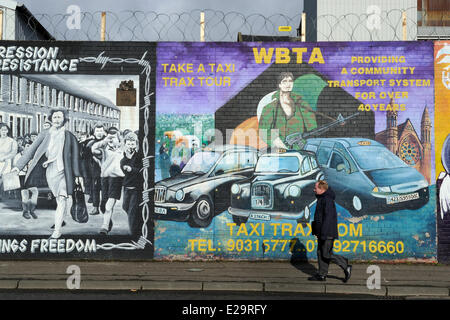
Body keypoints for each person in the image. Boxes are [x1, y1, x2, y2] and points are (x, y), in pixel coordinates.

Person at [13, 108, 83, 239]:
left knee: (62, 198)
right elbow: (31, 151)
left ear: (64, 120)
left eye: (59, 117)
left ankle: (57, 230)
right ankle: (61, 217)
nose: (56, 120)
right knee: (59, 198)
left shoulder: (69, 136)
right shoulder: (44, 134)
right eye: (54, 117)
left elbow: (75, 157)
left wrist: (78, 175)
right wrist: (18, 167)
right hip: (49, 171)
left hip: (65, 172)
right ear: (51, 119)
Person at [258, 72, 317, 150]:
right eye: (284, 81)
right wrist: (280, 144)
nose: (288, 84)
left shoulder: (302, 104)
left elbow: (312, 128)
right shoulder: (270, 107)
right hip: (277, 150)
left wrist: (301, 143)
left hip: (300, 149)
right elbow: (263, 131)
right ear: (279, 85)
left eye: (290, 81)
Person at [309, 180, 352, 282]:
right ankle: (322, 274)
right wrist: (316, 231)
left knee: (326, 253)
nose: (314, 189)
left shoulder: (327, 199)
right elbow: (319, 216)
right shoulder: (322, 198)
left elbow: (328, 218)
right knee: (320, 252)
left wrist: (323, 233)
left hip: (327, 233)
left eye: (316, 188)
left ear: (322, 189)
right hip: (322, 232)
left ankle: (345, 265)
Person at [91, 127, 125, 235]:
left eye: (113, 137)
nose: (110, 140)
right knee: (103, 205)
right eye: (109, 137)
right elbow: (93, 149)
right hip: (104, 178)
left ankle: (104, 227)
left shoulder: (123, 151)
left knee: (109, 204)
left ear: (119, 140)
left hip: (117, 179)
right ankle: (108, 220)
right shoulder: (104, 151)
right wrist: (104, 141)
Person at [120, 132, 142, 235]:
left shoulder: (138, 157)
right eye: (128, 144)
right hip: (126, 187)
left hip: (136, 188)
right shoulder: (124, 158)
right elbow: (123, 169)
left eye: (132, 144)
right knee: (125, 207)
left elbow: (141, 170)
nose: (130, 146)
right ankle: (136, 223)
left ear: (136, 144)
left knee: (132, 211)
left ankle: (134, 232)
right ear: (125, 144)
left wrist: (131, 169)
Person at [14, 142, 38, 219]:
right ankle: (26, 211)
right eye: (27, 146)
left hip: (29, 176)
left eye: (30, 146)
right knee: (25, 194)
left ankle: (31, 210)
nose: (29, 148)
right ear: (23, 147)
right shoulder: (18, 156)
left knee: (35, 191)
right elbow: (16, 166)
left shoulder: (32, 156)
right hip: (22, 176)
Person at [86, 124, 106, 215]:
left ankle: (104, 206)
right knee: (95, 188)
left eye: (101, 131)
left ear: (104, 132)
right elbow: (85, 156)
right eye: (97, 131)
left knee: (106, 188)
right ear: (94, 132)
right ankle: (95, 207)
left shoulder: (107, 141)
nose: (99, 133)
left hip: (107, 168)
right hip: (95, 169)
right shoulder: (90, 143)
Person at [0, 123, 18, 200]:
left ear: (7, 131)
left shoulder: (11, 141)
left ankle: (3, 194)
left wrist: (5, 157)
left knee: (3, 178)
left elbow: (14, 152)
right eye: (2, 130)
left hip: (7, 162)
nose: (3, 132)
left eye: (5, 130)